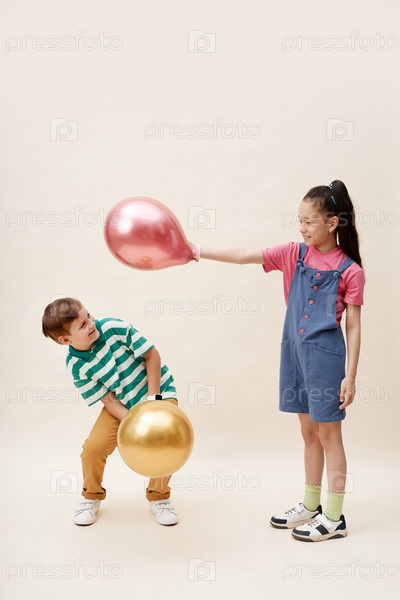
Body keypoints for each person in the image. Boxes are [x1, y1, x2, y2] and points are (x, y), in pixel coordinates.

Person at [190, 180, 364, 542]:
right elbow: (243, 254)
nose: (301, 228)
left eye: (308, 221)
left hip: (326, 359)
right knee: (308, 433)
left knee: (330, 435)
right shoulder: (292, 254)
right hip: (294, 353)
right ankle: (311, 505)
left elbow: (354, 325)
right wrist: (197, 250)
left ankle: (334, 517)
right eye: (299, 220)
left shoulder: (350, 270)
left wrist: (350, 376)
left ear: (332, 223)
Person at [42, 298, 179, 527]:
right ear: (66, 340)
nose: (91, 323)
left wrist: (153, 403)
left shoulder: (113, 328)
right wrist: (133, 420)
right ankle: (91, 496)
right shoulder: (76, 365)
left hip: (158, 393)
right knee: (93, 449)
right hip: (121, 404)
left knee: (164, 442)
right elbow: (107, 398)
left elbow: (152, 355)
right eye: (83, 325)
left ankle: (159, 497)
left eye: (88, 315)